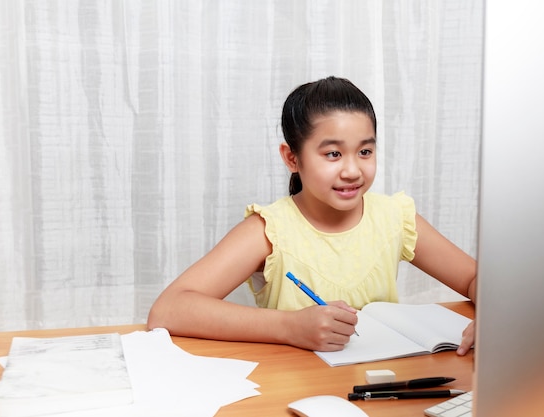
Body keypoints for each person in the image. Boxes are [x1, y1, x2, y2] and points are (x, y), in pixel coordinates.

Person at [147, 76, 476, 355]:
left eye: (365, 151)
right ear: (292, 158)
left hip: (385, 384)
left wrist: (497, 316)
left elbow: (477, 279)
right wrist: (290, 327)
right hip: (297, 388)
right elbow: (169, 309)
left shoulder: (396, 218)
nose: (351, 170)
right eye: (333, 154)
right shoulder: (268, 230)